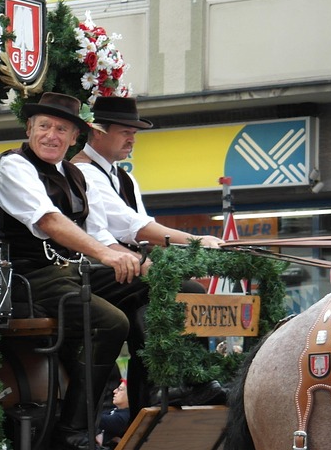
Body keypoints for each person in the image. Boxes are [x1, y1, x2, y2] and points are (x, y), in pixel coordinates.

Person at [0, 92, 148, 450]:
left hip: (71, 272)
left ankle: (147, 406)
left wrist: (136, 261)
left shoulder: (75, 174)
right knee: (109, 322)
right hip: (25, 278)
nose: (51, 135)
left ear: (76, 137)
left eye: (62, 129)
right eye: (44, 126)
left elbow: (99, 234)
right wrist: (106, 255)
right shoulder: (14, 166)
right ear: (29, 129)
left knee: (153, 287)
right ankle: (72, 432)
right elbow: (49, 221)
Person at [72, 95, 227, 410]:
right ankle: (184, 382)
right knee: (185, 289)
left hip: (123, 268)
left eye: (135, 132)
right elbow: (133, 228)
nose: (132, 138)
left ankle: (164, 390)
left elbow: (141, 234)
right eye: (124, 131)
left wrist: (183, 258)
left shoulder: (124, 177)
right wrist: (195, 242)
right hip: (90, 271)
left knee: (168, 298)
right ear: (97, 131)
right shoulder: (82, 172)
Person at [97, 379, 131, 448]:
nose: (114, 391)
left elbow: (97, 419)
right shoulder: (113, 410)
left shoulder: (125, 417)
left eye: (120, 389)